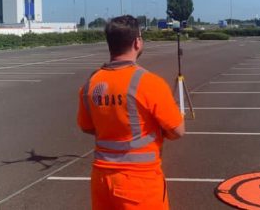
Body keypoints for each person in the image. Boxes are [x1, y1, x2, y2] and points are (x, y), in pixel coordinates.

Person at [77, 15, 185, 210]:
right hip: (139, 183)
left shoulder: (90, 84)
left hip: (101, 180)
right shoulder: (150, 83)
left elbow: (86, 126)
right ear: (137, 42)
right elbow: (177, 131)